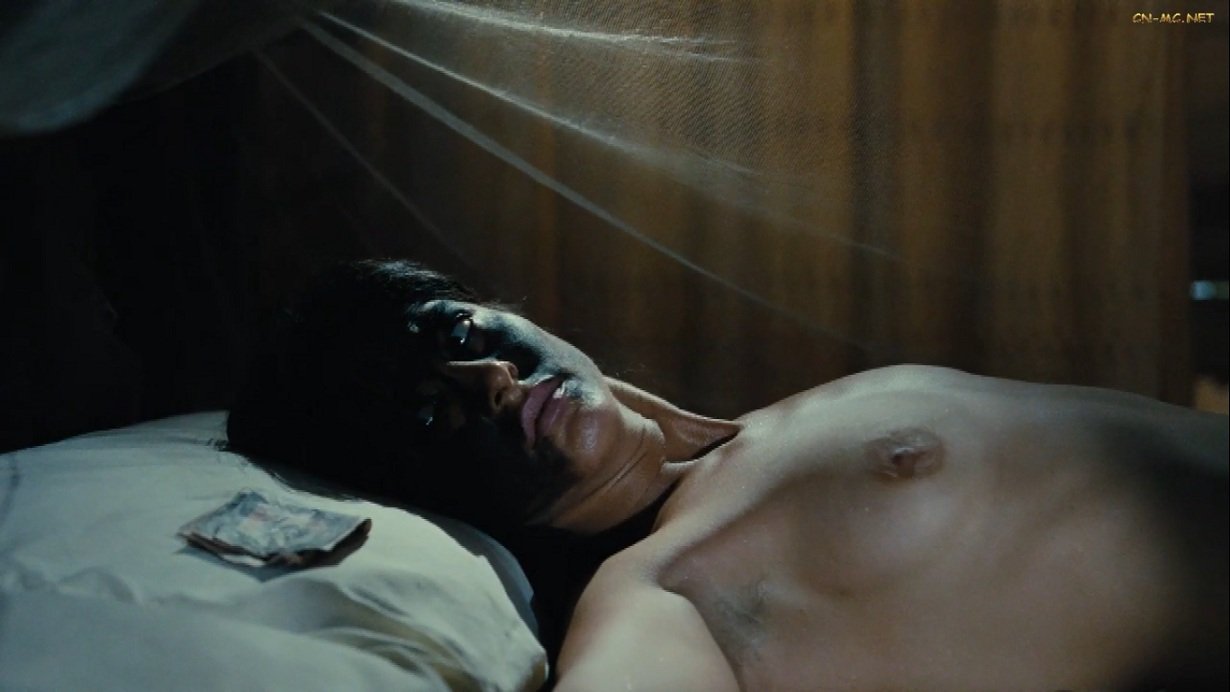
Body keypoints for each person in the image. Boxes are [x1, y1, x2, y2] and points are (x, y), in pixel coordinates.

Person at [227, 259, 1228, 691]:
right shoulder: (662, 583)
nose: (488, 377)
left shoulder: (766, 433)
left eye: (457, 333)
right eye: (428, 413)